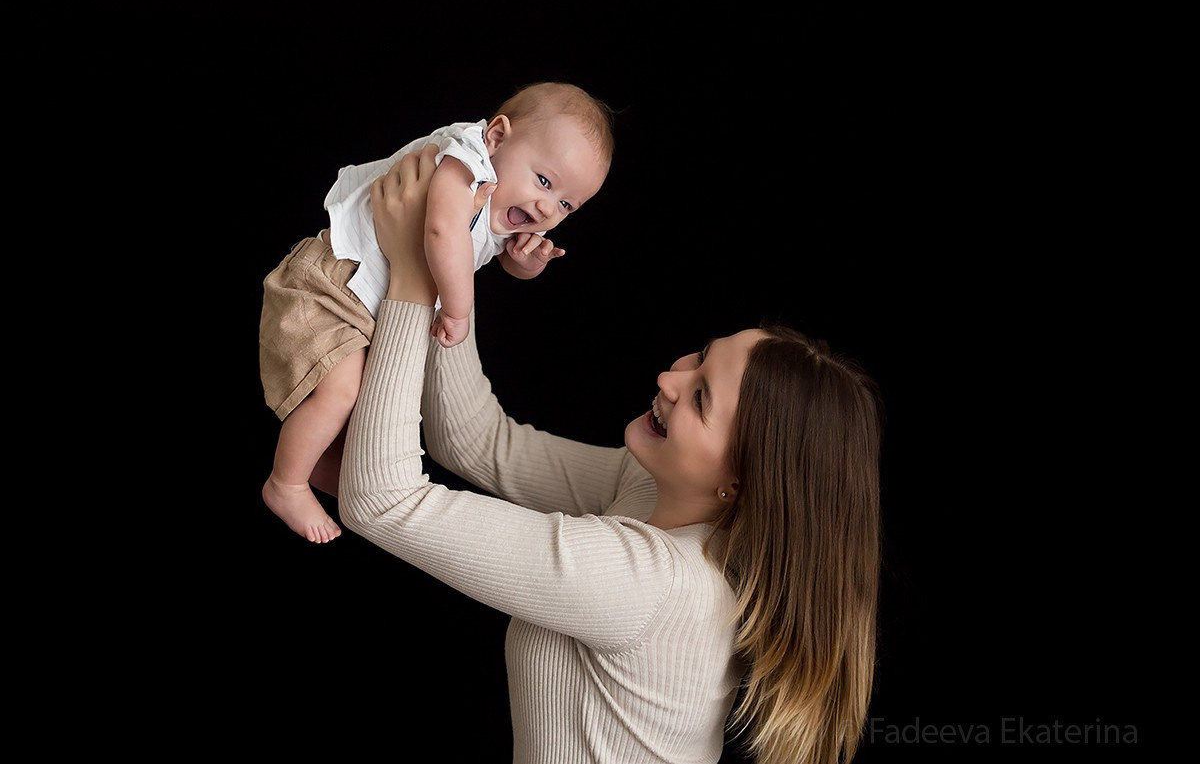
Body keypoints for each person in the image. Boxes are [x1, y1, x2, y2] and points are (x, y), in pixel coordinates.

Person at [334, 146, 885, 764]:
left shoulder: (652, 584)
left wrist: (411, 280)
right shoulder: (661, 494)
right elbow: (479, 442)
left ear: (740, 481)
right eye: (700, 356)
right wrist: (450, 258)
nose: (670, 379)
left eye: (700, 398)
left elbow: (381, 501)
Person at [258, 82, 614, 543]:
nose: (547, 207)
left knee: (363, 409)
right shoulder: (464, 159)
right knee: (343, 390)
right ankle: (285, 482)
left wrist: (525, 263)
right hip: (329, 287)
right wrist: (460, 311)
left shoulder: (506, 195)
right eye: (544, 181)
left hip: (362, 308)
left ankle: (322, 465)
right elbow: (443, 229)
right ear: (498, 137)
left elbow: (499, 257)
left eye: (566, 204)